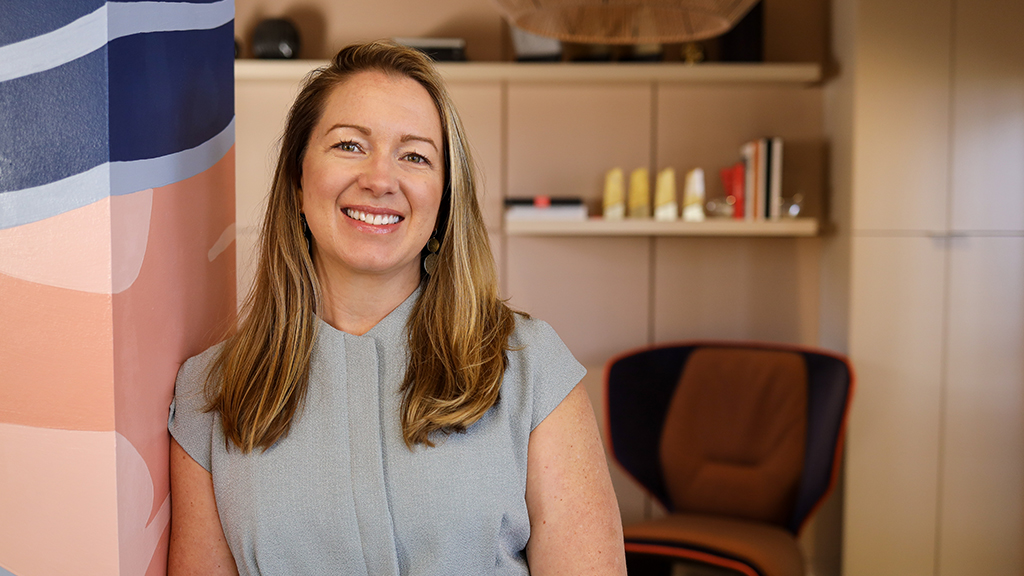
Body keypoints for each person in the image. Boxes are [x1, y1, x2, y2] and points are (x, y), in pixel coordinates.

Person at [167, 40, 625, 576]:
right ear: (296, 179)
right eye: (349, 146)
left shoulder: (531, 369)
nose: (381, 180)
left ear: (444, 198)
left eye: (414, 156)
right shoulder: (209, 394)